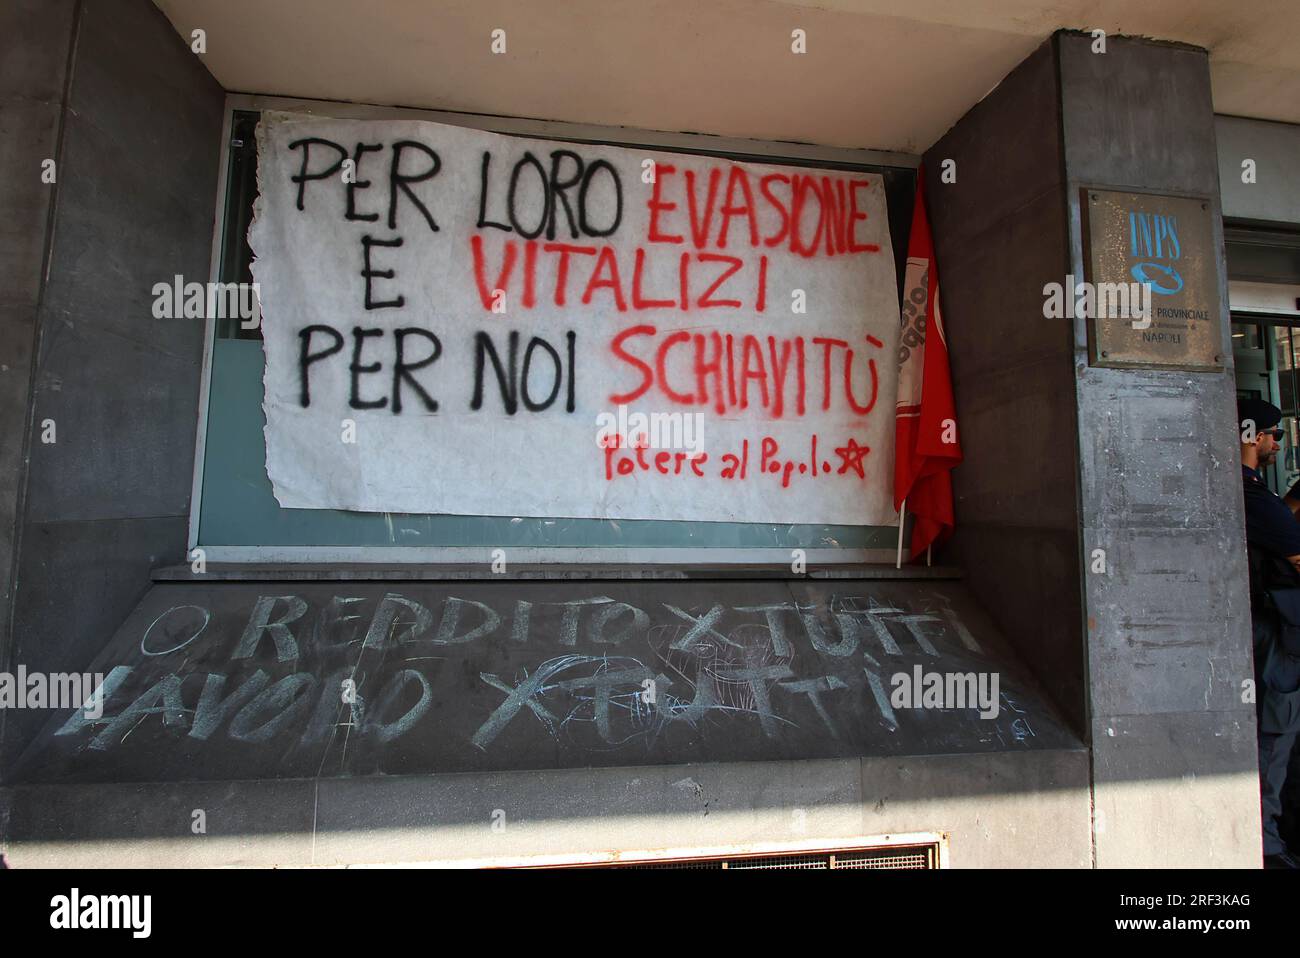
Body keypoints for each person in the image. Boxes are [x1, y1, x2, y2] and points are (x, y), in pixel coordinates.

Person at [1239, 397, 1300, 868]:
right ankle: (1267, 845)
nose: (1277, 442)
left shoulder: (1251, 490)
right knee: (1273, 735)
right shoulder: (1251, 494)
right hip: (1271, 635)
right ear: (1252, 435)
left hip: (1263, 629)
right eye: (1273, 434)